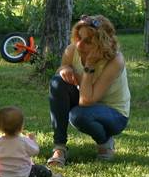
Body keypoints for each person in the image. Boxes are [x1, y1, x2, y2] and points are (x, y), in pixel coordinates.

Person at [47, 14, 131, 167]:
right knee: (57, 83)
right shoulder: (72, 50)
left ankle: (105, 142)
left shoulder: (115, 61)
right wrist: (64, 69)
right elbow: (61, 72)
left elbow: (86, 101)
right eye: (78, 37)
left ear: (102, 42)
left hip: (114, 114)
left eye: (87, 41)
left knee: (78, 116)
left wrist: (90, 65)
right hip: (87, 102)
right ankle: (59, 147)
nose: (79, 45)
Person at [0, 106, 56, 177]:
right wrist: (32, 140)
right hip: (22, 175)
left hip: (1, 176)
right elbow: (35, 151)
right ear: (21, 127)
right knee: (42, 170)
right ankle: (52, 175)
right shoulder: (23, 141)